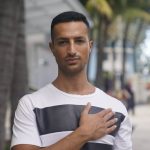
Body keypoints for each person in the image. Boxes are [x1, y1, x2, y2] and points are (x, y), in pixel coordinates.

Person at [11, 11, 132, 150]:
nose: (72, 50)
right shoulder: (30, 105)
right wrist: (83, 133)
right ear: (52, 48)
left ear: (90, 46)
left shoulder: (116, 109)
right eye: (63, 42)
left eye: (79, 41)